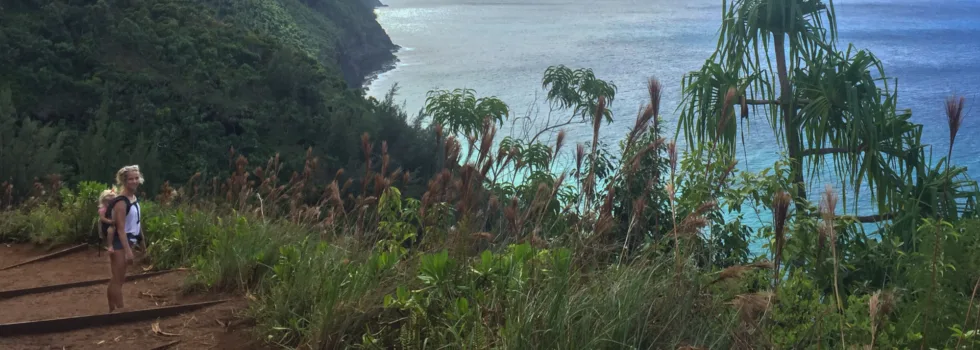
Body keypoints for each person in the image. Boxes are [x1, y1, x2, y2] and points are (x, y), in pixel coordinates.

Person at [107, 165, 145, 312]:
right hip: (120, 243)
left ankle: (113, 309)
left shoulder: (133, 198)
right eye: (131, 179)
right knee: (118, 279)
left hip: (130, 241)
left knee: (119, 279)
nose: (134, 181)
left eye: (136, 178)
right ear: (124, 181)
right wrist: (128, 251)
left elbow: (137, 223)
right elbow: (121, 229)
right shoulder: (121, 202)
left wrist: (142, 243)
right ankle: (119, 310)